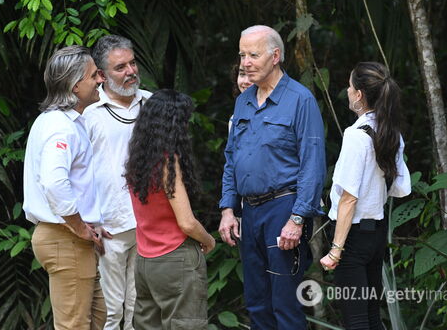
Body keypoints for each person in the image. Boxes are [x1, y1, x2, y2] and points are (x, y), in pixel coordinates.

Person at [218, 25, 326, 329]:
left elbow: (313, 164)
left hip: (284, 208)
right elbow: (231, 158)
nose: (244, 62)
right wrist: (228, 209)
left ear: (275, 56)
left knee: (285, 303)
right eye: (242, 54)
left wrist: (297, 219)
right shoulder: (244, 100)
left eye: (253, 55)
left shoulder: (300, 100)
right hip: (248, 212)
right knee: (256, 302)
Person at [320, 62, 411, 329]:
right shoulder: (391, 132)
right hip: (377, 232)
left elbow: (349, 198)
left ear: (359, 94)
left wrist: (336, 250)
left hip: (353, 235)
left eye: (350, 86)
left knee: (356, 320)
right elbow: (400, 188)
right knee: (371, 314)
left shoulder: (356, 136)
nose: (347, 91)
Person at [23, 45, 108, 330]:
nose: (100, 79)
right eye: (94, 75)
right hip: (65, 237)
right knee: (73, 326)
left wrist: (90, 223)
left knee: (99, 319)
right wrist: (80, 227)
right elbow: (54, 183)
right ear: (74, 85)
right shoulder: (60, 126)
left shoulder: (62, 122)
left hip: (70, 236)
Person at [124, 89, 216, 330]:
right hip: (175, 257)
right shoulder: (168, 161)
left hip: (145, 262)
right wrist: (208, 240)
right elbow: (186, 222)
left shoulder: (138, 159)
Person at [83, 35, 151, 330]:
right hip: (108, 224)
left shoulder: (151, 103)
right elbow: (79, 173)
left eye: (132, 63)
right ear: (101, 75)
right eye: (120, 67)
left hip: (148, 222)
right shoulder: (88, 114)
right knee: (111, 312)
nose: (130, 71)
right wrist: (89, 220)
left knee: (140, 308)